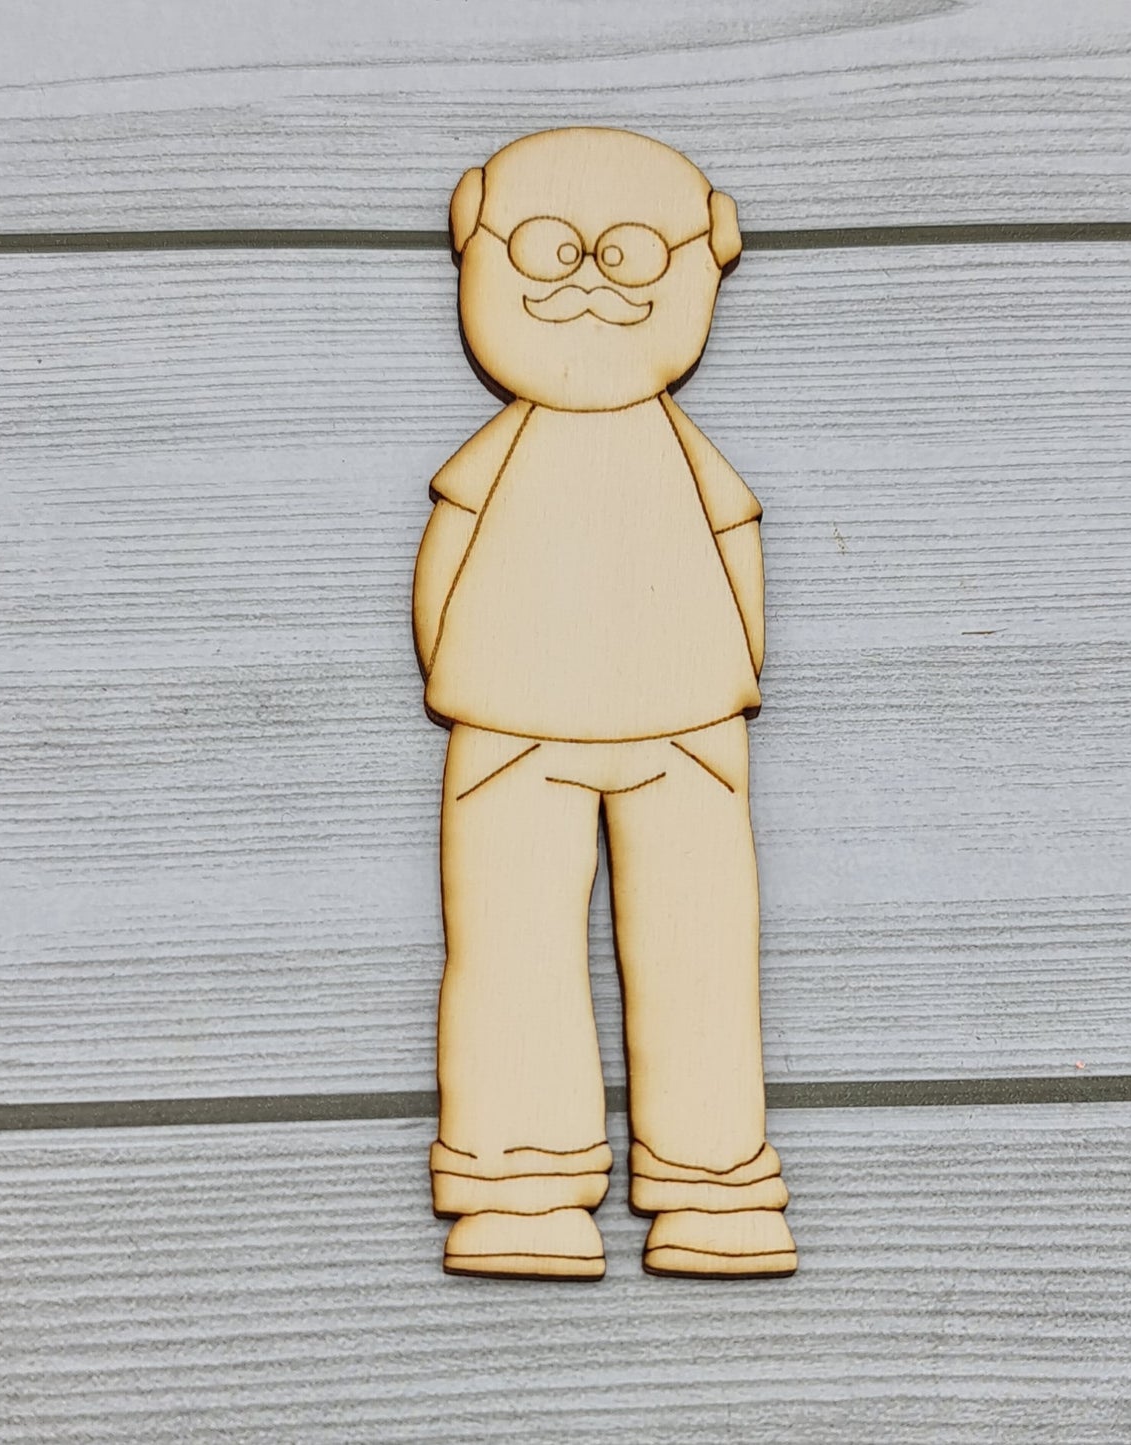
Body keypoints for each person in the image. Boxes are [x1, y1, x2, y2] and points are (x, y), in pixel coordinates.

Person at [412, 127, 795, 1280]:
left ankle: (712, 1184)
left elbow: (444, 574)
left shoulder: (659, 455)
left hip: (672, 728)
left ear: (707, 251)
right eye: (548, 247)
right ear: (473, 231)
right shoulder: (511, 453)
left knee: (696, 944)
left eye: (627, 254)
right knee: (513, 944)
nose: (585, 280)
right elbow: (737, 559)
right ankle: (519, 1187)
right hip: (521, 726)